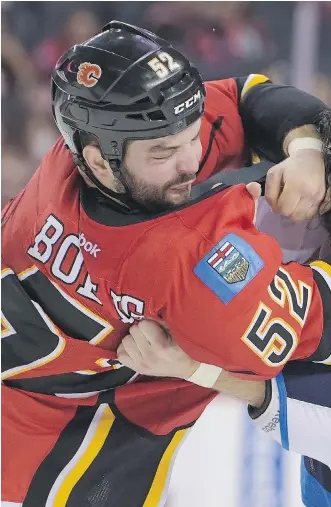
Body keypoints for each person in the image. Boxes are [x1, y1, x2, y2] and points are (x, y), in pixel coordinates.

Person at [1, 21, 330, 506]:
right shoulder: (194, 268)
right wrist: (313, 158)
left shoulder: (69, 164)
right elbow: (318, 332)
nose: (190, 161)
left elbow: (245, 99)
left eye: (191, 136)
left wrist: (306, 150)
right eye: (164, 152)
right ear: (97, 160)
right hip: (57, 479)